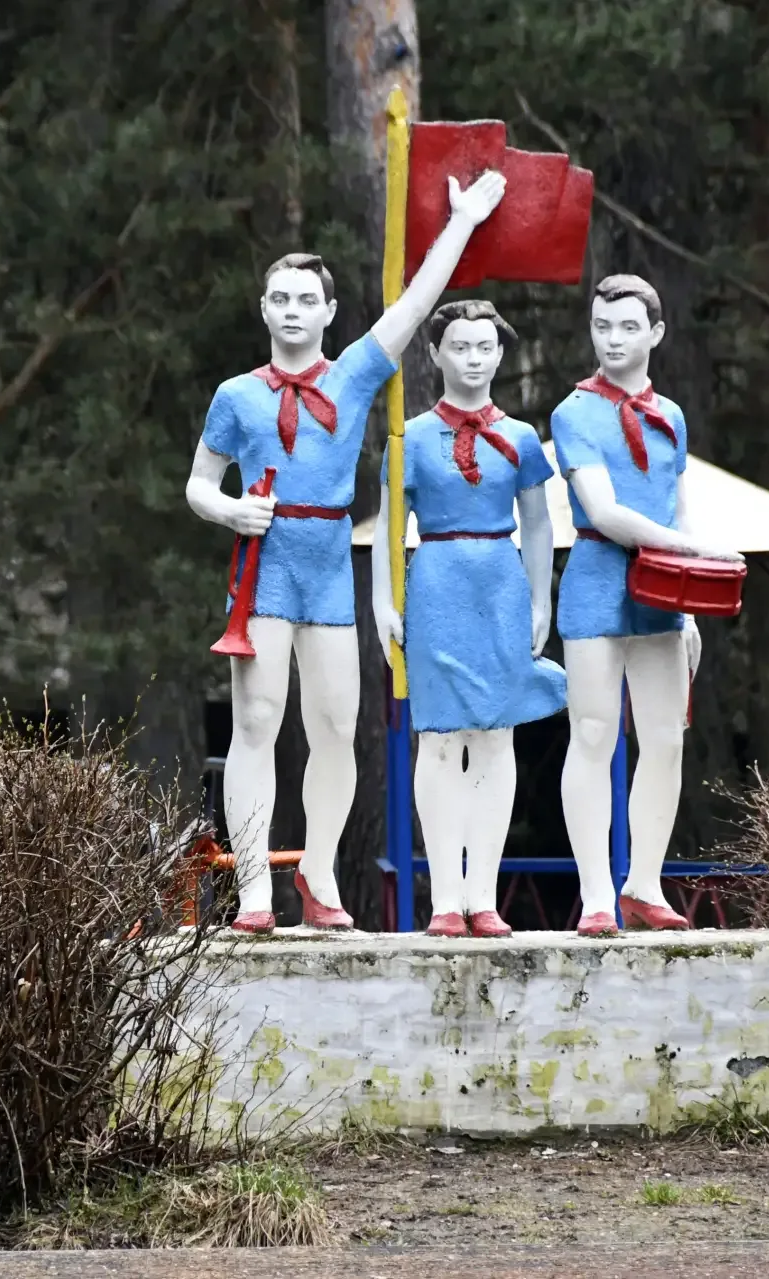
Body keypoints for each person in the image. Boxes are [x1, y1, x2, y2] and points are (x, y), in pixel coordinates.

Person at [185, 171, 508, 935]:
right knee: (256, 723)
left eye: (308, 300)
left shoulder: (356, 373)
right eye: (281, 299)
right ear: (264, 309)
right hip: (264, 570)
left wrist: (461, 222)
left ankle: (320, 872)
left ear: (329, 312)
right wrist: (231, 508)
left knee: (336, 725)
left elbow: (416, 305)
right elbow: (198, 483)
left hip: (330, 565)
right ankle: (254, 887)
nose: (294, 311)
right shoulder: (236, 395)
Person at [550, 274, 742, 936]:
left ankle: (645, 882)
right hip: (598, 580)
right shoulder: (575, 412)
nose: (613, 339)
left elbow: (679, 502)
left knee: (664, 739)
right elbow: (603, 511)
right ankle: (596, 894)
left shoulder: (672, 416)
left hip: (662, 592)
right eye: (603, 326)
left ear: (656, 333)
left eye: (629, 327)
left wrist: (688, 603)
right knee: (593, 734)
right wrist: (696, 549)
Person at [372, 300, 565, 938]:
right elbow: (388, 528)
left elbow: (538, 524)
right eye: (459, 346)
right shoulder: (409, 437)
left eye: (484, 347)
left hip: (500, 585)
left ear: (501, 354)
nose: (472, 359)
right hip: (436, 583)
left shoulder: (521, 437)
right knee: (439, 738)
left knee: (495, 736)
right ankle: (445, 899)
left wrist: (540, 600)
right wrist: (383, 601)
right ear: (434, 353)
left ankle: (483, 893)